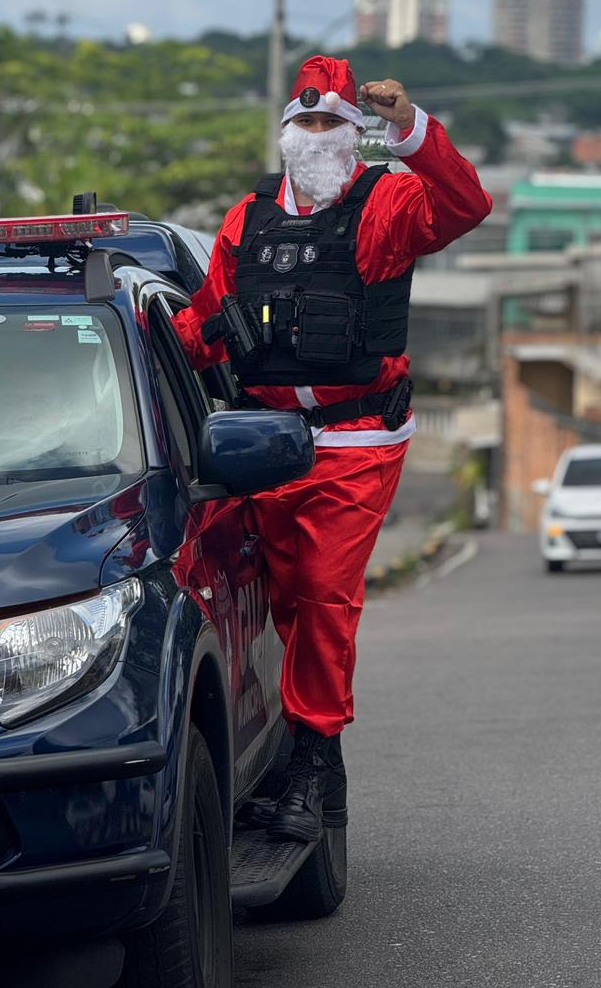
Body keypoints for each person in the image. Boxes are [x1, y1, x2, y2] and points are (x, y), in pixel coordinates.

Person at [172, 55, 492, 843]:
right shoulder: (246, 220)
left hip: (358, 435)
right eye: (304, 123)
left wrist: (409, 127)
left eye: (331, 124)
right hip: (264, 437)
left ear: (356, 135)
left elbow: (465, 203)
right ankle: (309, 758)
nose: (316, 136)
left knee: (319, 591)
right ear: (285, 133)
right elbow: (205, 323)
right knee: (275, 594)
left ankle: (314, 759)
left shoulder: (384, 205)